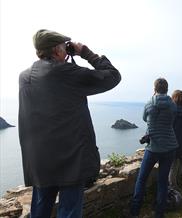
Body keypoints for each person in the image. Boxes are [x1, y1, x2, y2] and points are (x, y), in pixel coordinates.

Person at [18, 29, 121, 218]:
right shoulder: (66, 73)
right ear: (57, 51)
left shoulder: (24, 77)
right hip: (71, 161)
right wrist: (85, 53)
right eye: (64, 47)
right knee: (70, 212)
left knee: (39, 210)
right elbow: (113, 76)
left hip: (40, 161)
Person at [130, 78, 178, 218]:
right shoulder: (172, 105)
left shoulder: (149, 103)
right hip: (169, 147)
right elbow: (172, 120)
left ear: (154, 88)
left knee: (141, 179)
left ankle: (135, 212)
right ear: (167, 89)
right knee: (163, 182)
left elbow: (145, 118)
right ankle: (159, 213)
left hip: (153, 147)